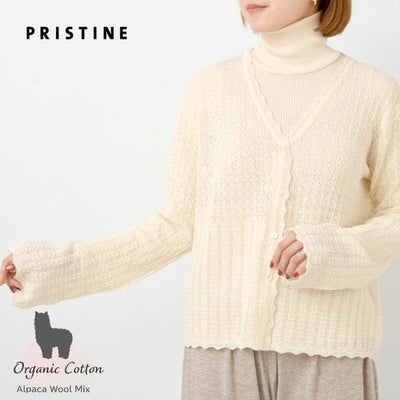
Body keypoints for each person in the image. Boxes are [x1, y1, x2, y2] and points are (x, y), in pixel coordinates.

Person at [2, 0, 400, 399]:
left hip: (332, 351)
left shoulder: (374, 93)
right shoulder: (211, 90)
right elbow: (175, 226)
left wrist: (333, 250)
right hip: (220, 350)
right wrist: (56, 269)